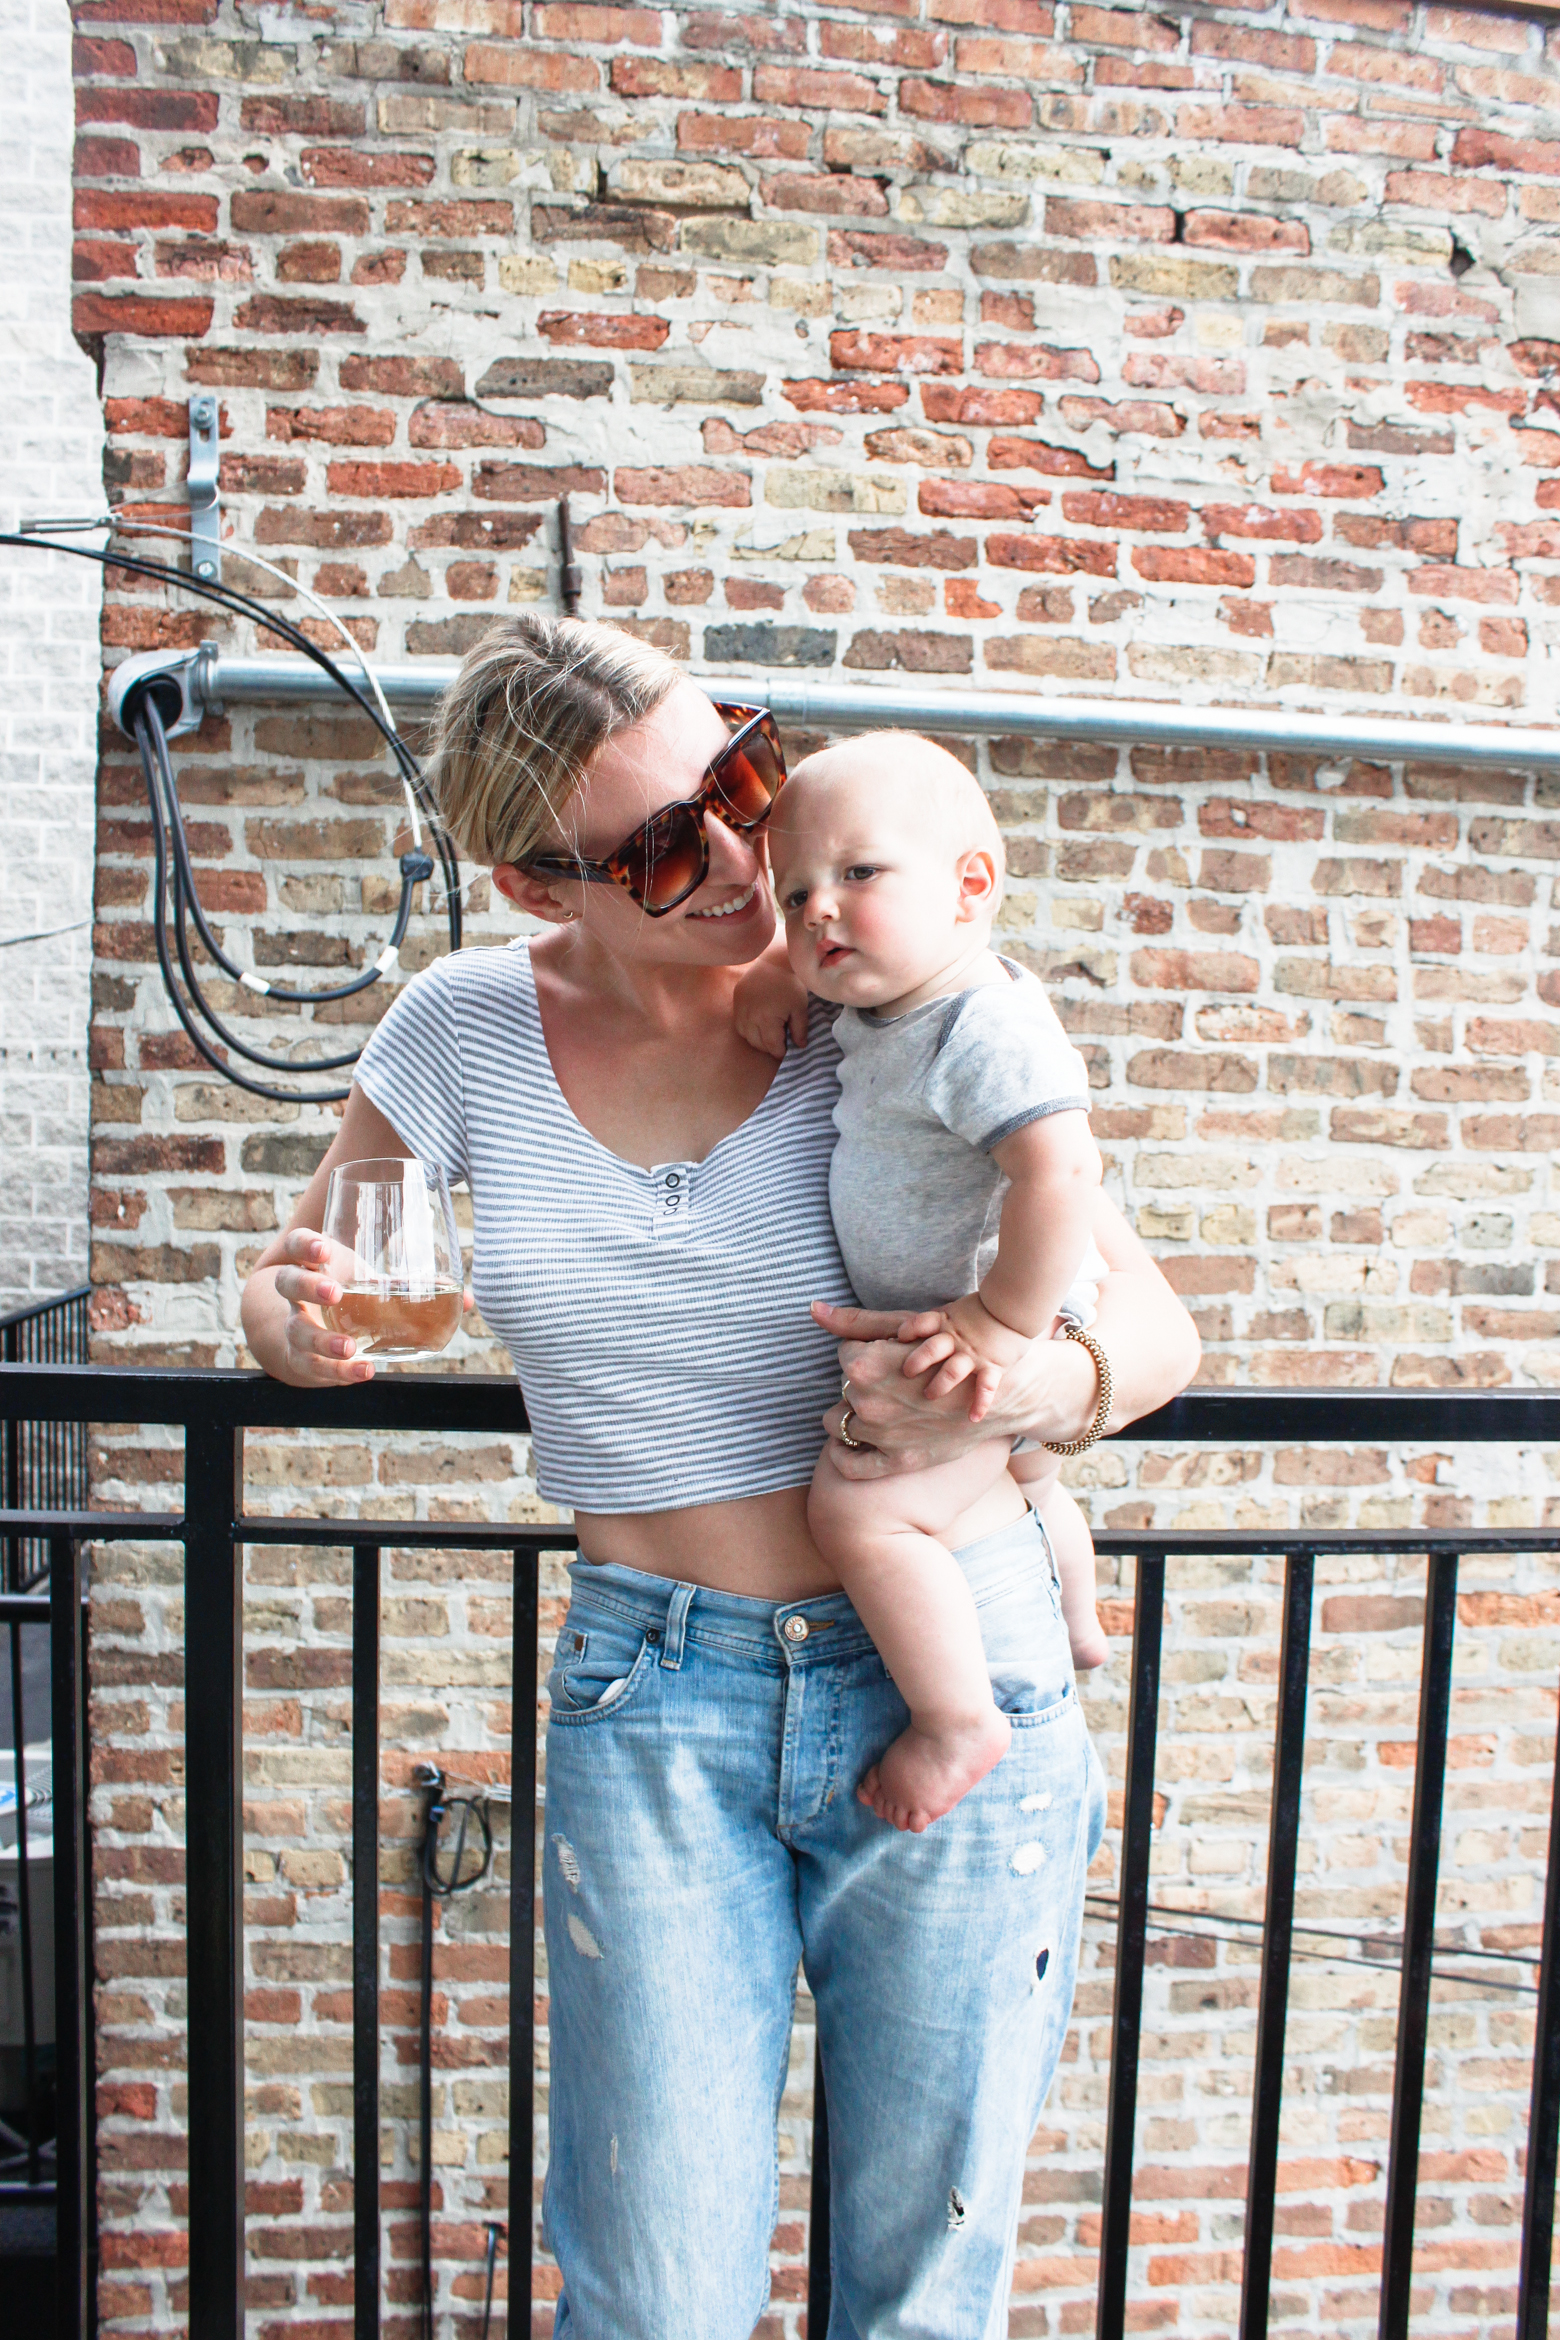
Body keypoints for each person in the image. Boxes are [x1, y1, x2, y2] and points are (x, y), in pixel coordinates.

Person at [241, 615, 1200, 2339]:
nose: (753, 851)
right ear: (546, 892)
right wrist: (284, 1326)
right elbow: (299, 1261)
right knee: (653, 2291)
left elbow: (1151, 1331)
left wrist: (1022, 1386)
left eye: (743, 776)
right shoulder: (464, 1029)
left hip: (947, 1651)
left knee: (922, 2287)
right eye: (673, 843)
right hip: (652, 1693)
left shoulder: (883, 1001)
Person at [734, 732, 1110, 1837]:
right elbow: (820, 946)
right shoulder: (893, 1003)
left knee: (858, 1509)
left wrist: (1002, 1326)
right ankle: (1079, 1615)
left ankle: (957, 1719)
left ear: (970, 887)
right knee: (1034, 1479)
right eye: (793, 892)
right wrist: (774, 968)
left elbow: (1063, 1170)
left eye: (858, 875)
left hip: (994, 1323)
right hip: (986, 1324)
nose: (818, 911)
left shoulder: (978, 1021)